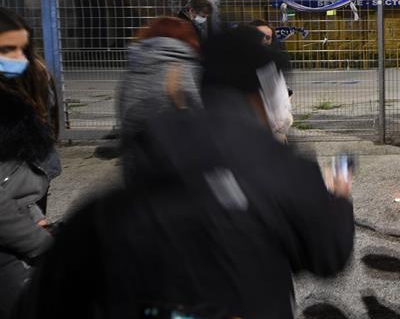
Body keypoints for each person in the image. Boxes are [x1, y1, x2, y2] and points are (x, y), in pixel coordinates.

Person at [21, 27, 354, 318]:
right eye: (285, 89)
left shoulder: (113, 201)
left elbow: (46, 299)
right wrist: (339, 199)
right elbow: (328, 255)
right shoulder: (290, 174)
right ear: (265, 90)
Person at [0, 10, 61, 319]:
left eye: (22, 49)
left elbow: (16, 175)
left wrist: (35, 216)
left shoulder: (23, 88)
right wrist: (40, 243)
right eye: (6, 49)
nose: (17, 58)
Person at [116, 16, 202, 181]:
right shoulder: (184, 66)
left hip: (137, 158)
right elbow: (196, 111)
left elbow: (124, 110)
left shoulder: (134, 66)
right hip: (177, 161)